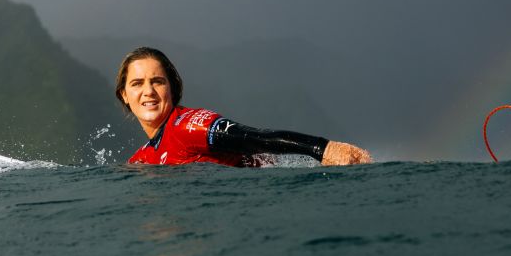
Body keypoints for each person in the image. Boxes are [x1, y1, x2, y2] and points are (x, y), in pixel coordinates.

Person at [115, 47, 373, 167]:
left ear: (172, 88)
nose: (148, 91)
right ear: (124, 95)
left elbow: (254, 138)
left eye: (157, 81)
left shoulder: (189, 126)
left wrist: (322, 148)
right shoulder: (141, 158)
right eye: (137, 83)